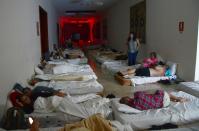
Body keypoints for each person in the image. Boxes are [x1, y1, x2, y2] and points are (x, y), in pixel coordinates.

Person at [120, 90, 188, 110]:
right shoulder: (137, 95)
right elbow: (145, 92)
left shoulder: (134, 106)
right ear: (128, 98)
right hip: (163, 100)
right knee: (163, 92)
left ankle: (173, 100)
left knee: (156, 97)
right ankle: (178, 99)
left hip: (163, 105)